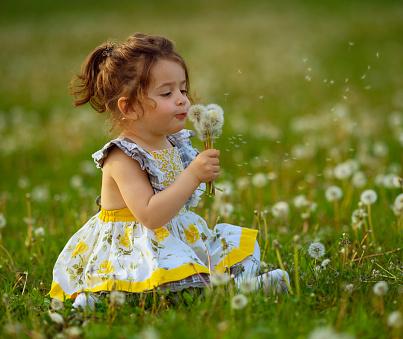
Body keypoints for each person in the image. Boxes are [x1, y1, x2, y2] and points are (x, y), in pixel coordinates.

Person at [49, 33, 288, 309]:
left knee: (235, 249)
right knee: (163, 289)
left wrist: (200, 174)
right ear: (129, 107)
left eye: (183, 90)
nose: (182, 100)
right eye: (167, 93)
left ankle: (236, 283)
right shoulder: (121, 156)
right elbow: (150, 216)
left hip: (174, 235)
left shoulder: (173, 141)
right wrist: (193, 176)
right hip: (134, 250)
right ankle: (99, 302)